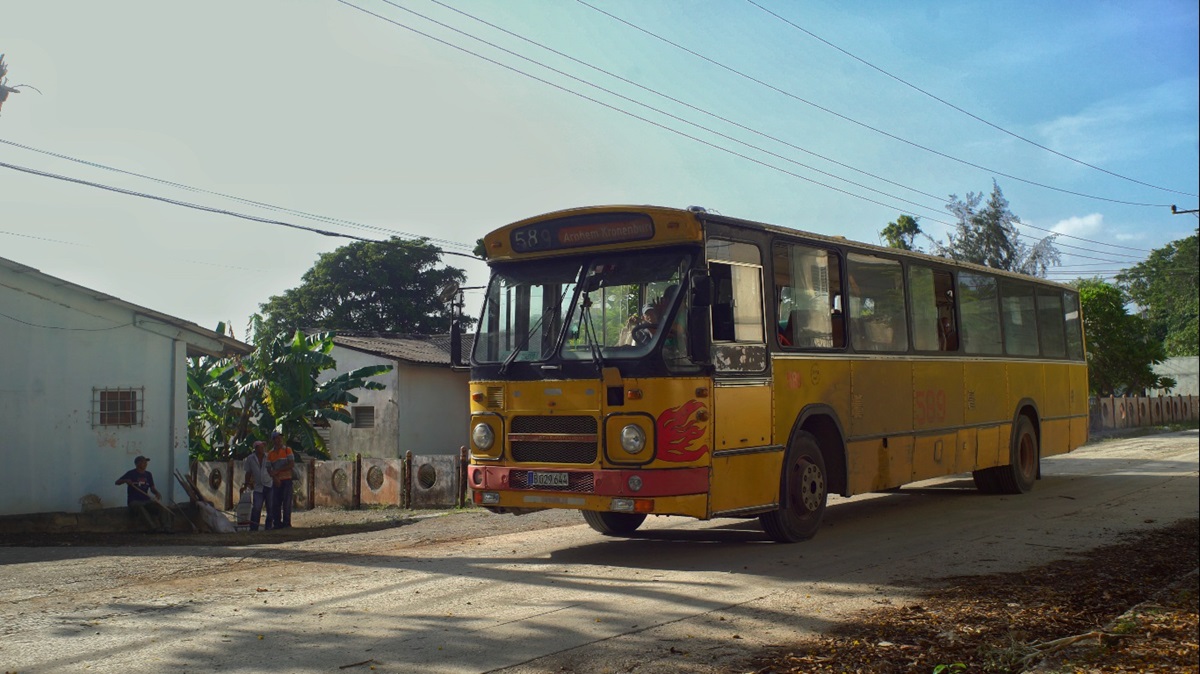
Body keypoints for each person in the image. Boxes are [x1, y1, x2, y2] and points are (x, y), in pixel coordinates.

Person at [115, 456, 171, 532]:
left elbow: (152, 488)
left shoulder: (148, 474)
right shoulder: (131, 473)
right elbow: (117, 482)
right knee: (140, 508)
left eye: (145, 462)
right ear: (137, 464)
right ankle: (153, 528)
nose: (145, 464)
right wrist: (125, 480)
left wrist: (157, 493)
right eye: (143, 462)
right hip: (134, 501)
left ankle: (167, 528)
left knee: (162, 507)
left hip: (146, 500)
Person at [266, 431, 296, 529]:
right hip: (276, 481)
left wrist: (277, 471)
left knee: (287, 503)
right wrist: (275, 478)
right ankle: (277, 523)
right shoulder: (270, 454)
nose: (279, 440)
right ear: (273, 440)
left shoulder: (287, 450)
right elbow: (268, 469)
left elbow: (291, 464)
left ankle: (287, 523)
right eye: (277, 438)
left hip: (287, 479)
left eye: (280, 438)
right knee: (276, 503)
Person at [243, 440, 274, 531]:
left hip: (269, 484)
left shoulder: (268, 457)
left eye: (263, 447)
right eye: (260, 447)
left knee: (270, 507)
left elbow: (274, 468)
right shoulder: (250, 458)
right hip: (258, 486)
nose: (262, 449)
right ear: (256, 448)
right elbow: (248, 472)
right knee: (256, 507)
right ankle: (254, 527)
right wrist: (247, 483)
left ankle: (269, 526)